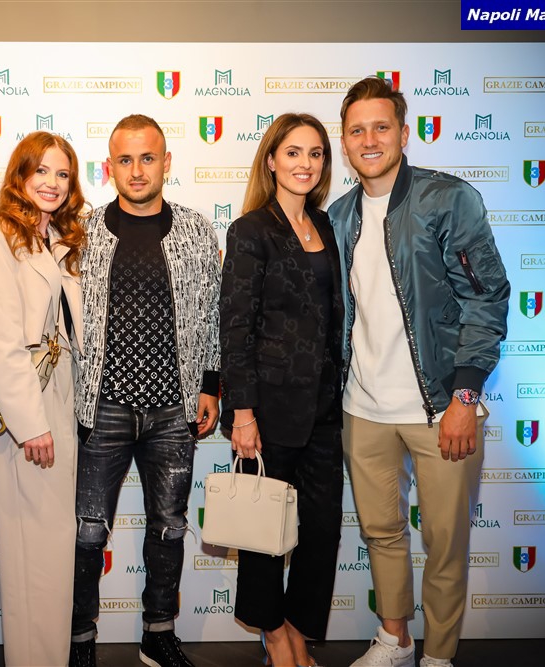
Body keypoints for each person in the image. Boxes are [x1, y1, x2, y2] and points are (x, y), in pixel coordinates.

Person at [329, 77, 509, 667]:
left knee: (445, 542)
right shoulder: (339, 216)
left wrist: (465, 397)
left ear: (404, 133)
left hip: (441, 408)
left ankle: (439, 656)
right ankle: (396, 640)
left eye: (381, 127)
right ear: (344, 141)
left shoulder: (448, 199)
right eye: (357, 130)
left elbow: (487, 299)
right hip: (363, 409)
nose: (369, 139)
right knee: (381, 533)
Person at [70, 114, 221, 667]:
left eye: (148, 158)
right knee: (88, 534)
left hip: (174, 410)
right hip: (102, 408)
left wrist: (210, 386)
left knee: (169, 528)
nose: (137, 170)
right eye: (125, 160)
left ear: (166, 163)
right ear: (109, 167)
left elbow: (213, 313)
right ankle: (78, 639)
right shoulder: (82, 232)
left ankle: (158, 632)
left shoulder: (196, 230)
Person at [220, 113, 344, 667]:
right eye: (293, 152)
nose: (305, 164)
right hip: (269, 409)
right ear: (271, 160)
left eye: (315, 153)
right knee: (263, 528)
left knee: (322, 529)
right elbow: (235, 327)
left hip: (326, 408)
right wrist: (242, 412)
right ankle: (274, 634)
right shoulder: (251, 230)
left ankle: (297, 625)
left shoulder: (327, 226)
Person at [0, 131, 86, 667]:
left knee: (53, 549)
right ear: (20, 174)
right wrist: (31, 424)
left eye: (63, 174)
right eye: (42, 171)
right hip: (28, 406)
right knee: (31, 551)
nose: (53, 183)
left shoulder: (60, 237)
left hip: (64, 400)